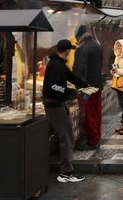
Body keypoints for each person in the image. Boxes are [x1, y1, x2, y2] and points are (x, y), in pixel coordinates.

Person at [42, 39, 88, 183]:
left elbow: (71, 76)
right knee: (67, 138)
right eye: (70, 50)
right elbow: (53, 86)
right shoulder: (56, 65)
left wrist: (86, 85)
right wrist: (71, 91)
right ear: (67, 51)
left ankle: (37, 158)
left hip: (58, 104)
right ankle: (65, 173)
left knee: (58, 136)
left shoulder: (59, 64)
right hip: (54, 105)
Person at [73, 31, 104, 150]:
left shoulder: (81, 48)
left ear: (78, 36)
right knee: (96, 112)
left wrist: (78, 87)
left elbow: (79, 69)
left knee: (89, 114)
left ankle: (92, 141)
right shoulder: (96, 45)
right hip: (97, 85)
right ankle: (96, 137)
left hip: (87, 87)